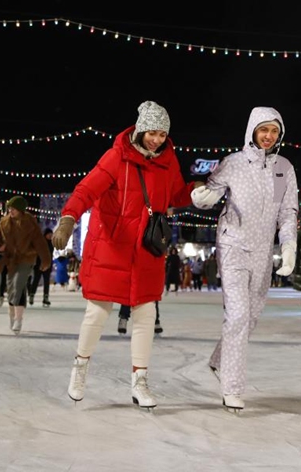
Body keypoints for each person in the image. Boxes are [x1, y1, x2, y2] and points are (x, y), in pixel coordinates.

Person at [51, 100, 199, 409]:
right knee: (97, 312)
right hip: (111, 247)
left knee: (145, 315)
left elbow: (176, 194)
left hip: (147, 250)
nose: (157, 140)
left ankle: (140, 381)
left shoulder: (168, 161)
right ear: (142, 129)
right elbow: (85, 191)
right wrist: (68, 219)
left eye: (163, 134)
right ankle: (80, 368)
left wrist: (197, 190)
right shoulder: (117, 157)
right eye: (153, 133)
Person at [191, 106, 298, 412]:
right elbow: (211, 191)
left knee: (249, 317)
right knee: (237, 315)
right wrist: (205, 196)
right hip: (233, 244)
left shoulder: (283, 168)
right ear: (253, 130)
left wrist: (288, 245)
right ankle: (232, 388)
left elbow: (287, 212)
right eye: (263, 129)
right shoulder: (234, 163)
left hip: (263, 251)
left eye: (274, 131)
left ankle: (218, 360)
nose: (268, 136)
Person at [0, 196, 52, 335]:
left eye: (13, 208)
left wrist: (45, 260)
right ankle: (12, 316)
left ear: (21, 209)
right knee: (12, 288)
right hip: (11, 260)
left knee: (19, 284)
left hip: (27, 258)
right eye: (10, 208)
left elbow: (40, 243)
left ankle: (18, 319)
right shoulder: (4, 222)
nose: (11, 211)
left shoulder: (30, 223)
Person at [28, 228, 54, 307]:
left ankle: (45, 298)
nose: (50, 236)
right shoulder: (40, 242)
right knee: (36, 280)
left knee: (46, 282)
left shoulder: (51, 244)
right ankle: (32, 295)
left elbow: (50, 255)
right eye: (49, 234)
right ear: (45, 235)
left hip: (47, 265)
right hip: (39, 265)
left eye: (51, 235)